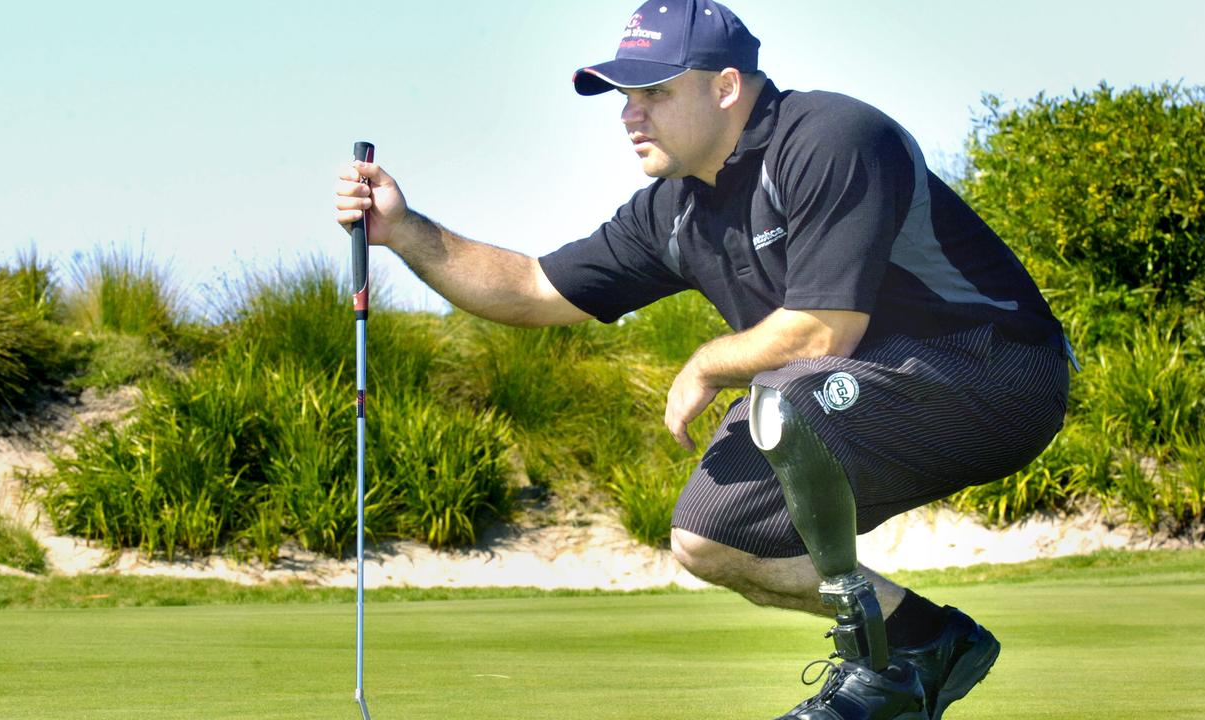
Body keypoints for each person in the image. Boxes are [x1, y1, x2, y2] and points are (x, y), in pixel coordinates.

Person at [335, 2, 1071, 718]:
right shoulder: (672, 209)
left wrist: (706, 363)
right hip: (861, 395)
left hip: (997, 372)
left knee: (784, 397)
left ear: (725, 86)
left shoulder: (833, 137)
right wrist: (403, 230)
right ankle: (919, 643)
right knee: (710, 539)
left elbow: (822, 331)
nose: (630, 114)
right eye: (625, 97)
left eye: (654, 92)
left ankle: (880, 661)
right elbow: (532, 288)